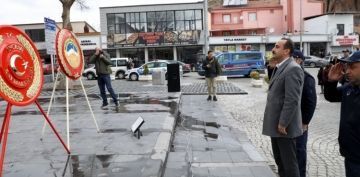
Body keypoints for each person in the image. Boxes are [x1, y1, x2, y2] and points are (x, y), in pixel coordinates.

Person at [262, 38, 303, 177]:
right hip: (277, 125)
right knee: (281, 163)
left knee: (289, 165)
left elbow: (292, 99)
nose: (273, 49)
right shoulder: (279, 67)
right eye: (274, 46)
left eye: (277, 46)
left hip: (284, 127)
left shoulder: (293, 69)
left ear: (286, 51)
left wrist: (283, 122)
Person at [324, 51, 360, 177]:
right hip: (350, 154)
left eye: (353, 67)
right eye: (347, 67)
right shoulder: (350, 88)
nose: (348, 71)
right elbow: (331, 96)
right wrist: (331, 81)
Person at [292, 50, 317, 177]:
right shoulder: (290, 75)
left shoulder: (307, 78)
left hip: (300, 122)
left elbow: (311, 102)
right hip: (288, 122)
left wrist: (305, 122)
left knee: (299, 151)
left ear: (299, 60)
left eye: (292, 58)